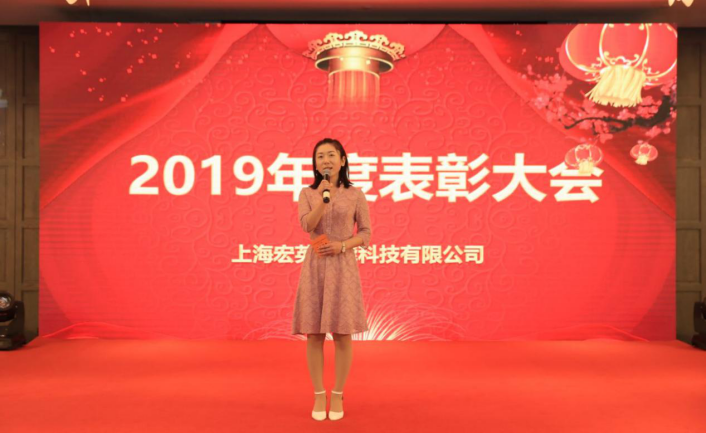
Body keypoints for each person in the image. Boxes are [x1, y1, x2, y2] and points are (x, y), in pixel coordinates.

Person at [291, 138, 372, 421]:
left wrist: (343, 245)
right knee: (314, 333)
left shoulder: (356, 194)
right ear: (315, 164)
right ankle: (318, 393)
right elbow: (307, 225)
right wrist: (323, 201)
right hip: (315, 264)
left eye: (330, 155)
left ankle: (337, 393)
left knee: (342, 333)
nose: (325, 160)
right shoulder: (308, 193)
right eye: (320, 156)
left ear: (342, 160)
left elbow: (366, 233)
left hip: (343, 264)